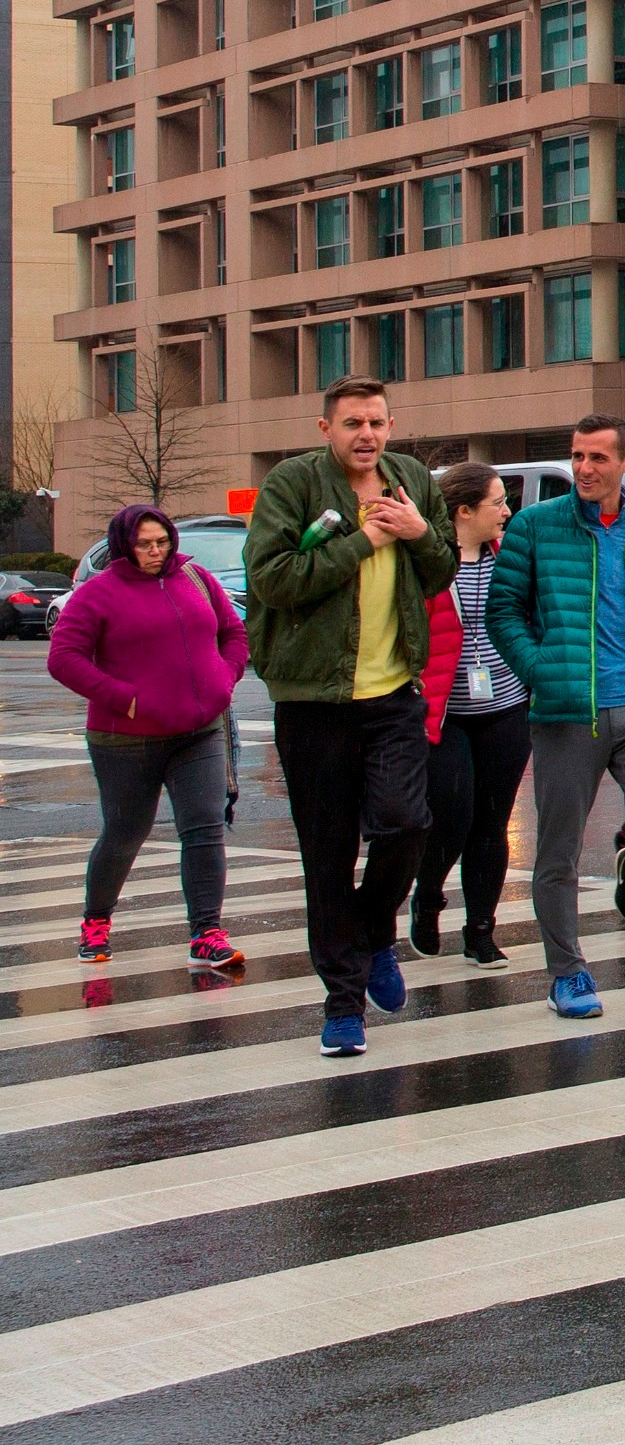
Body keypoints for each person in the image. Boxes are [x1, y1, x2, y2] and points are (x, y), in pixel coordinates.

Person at [243, 375, 457, 1057]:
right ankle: (343, 1004)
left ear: (390, 427)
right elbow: (272, 579)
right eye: (352, 423)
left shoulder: (413, 482)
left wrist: (420, 533)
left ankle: (371, 936)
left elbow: (441, 568)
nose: (365, 434)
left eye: (376, 422)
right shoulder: (293, 485)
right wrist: (363, 542)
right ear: (325, 429)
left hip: (394, 692)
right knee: (328, 854)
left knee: (405, 825)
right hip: (313, 700)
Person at [489, 415, 625, 1025]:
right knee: (559, 851)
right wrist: (542, 669)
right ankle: (566, 972)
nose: (584, 469)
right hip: (568, 713)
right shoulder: (537, 526)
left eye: (597, 458)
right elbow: (502, 611)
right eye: (577, 457)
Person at [48, 505, 249, 973]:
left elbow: (233, 632)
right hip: (126, 739)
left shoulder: (197, 580)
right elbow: (64, 658)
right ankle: (95, 922)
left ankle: (206, 934)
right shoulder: (97, 594)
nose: (156, 551)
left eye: (162, 541)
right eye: (144, 544)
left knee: (203, 826)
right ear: (123, 545)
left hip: (199, 731)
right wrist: (125, 698)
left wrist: (226, 676)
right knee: (125, 833)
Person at [408, 464, 531, 969]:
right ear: (463, 511)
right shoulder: (428, 563)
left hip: (506, 707)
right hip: (445, 712)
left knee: (493, 822)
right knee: (451, 817)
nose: (507, 511)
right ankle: (428, 894)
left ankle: (480, 928)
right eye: (497, 502)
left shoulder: (510, 558)